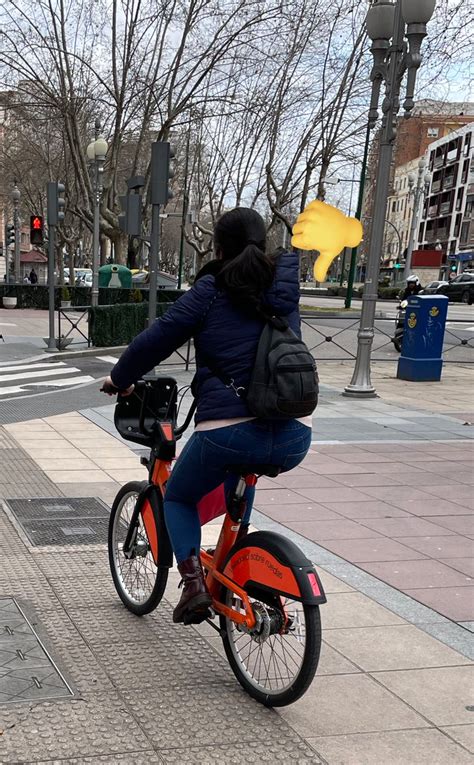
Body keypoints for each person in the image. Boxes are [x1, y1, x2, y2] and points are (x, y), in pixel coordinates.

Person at [103, 207, 314, 625]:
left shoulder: (211, 289)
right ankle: (234, 564)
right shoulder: (283, 290)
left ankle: (194, 586)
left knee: (179, 497)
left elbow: (157, 339)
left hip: (228, 429)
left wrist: (120, 378)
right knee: (242, 479)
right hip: (295, 432)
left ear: (218, 246)